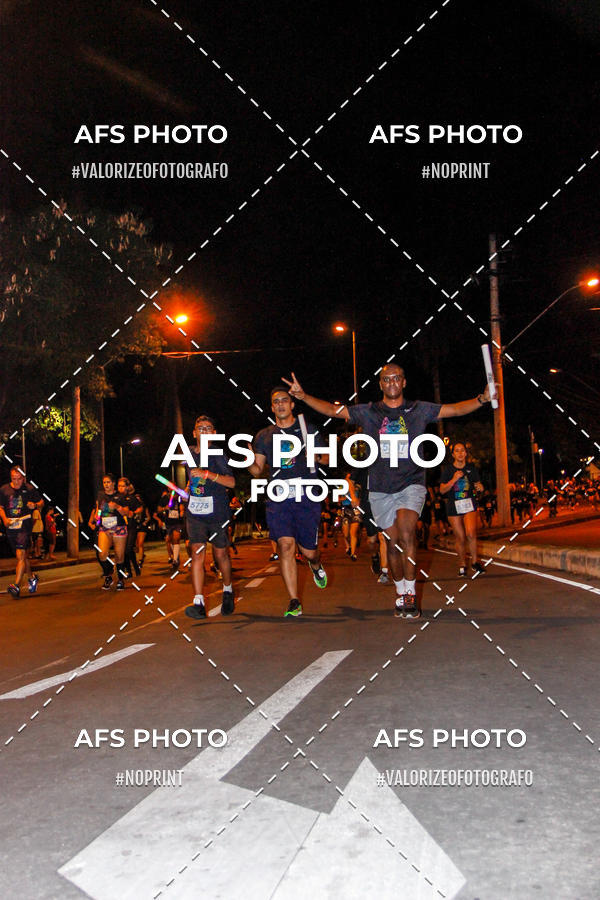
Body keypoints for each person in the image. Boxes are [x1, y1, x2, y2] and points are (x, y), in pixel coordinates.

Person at [283, 366, 494, 619]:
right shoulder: (370, 412)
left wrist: (481, 399)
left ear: (403, 382)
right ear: (381, 384)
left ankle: (411, 594)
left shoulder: (419, 409)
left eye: (396, 378)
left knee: (407, 533)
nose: (392, 382)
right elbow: (333, 410)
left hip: (411, 483)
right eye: (386, 379)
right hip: (381, 489)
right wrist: (303, 396)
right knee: (393, 544)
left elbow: (454, 409)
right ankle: (400, 590)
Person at [249, 386, 328, 618]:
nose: (281, 404)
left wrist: (313, 454)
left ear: (292, 404)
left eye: (285, 400)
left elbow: (328, 457)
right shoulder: (264, 435)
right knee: (285, 545)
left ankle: (315, 565)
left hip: (306, 496)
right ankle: (294, 600)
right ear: (272, 407)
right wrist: (247, 460)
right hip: (279, 496)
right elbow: (256, 470)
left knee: (309, 551)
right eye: (276, 402)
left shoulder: (307, 430)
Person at [183, 415, 236, 619]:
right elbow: (192, 478)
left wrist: (207, 474)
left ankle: (228, 590)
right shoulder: (188, 453)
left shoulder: (218, 455)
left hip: (218, 512)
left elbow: (231, 482)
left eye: (208, 428)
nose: (204, 431)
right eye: (200, 428)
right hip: (195, 512)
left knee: (220, 555)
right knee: (197, 553)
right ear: (194, 433)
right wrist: (189, 488)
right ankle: (198, 603)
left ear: (214, 433)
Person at [439, 442, 485, 576]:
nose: (460, 453)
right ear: (453, 454)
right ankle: (462, 564)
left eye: (462, 451)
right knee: (460, 537)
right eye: (457, 451)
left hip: (469, 504)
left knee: (471, 533)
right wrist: (453, 479)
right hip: (454, 506)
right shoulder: (448, 470)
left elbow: (478, 484)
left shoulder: (471, 468)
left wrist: (480, 487)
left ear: (465, 453)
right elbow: (442, 490)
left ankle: (475, 563)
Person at [0, 466, 43, 597]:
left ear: (23, 478)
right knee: (22, 557)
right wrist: (4, 519)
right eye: (14, 479)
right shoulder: (4, 490)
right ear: (10, 477)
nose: (17, 482)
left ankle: (16, 585)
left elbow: (41, 502)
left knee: (21, 553)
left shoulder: (29, 489)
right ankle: (32, 577)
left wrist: (35, 505)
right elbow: (0, 508)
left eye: (19, 479)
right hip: (11, 525)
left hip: (24, 525)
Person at [94, 473, 132, 591]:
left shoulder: (120, 496)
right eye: (104, 482)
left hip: (119, 527)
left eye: (108, 482)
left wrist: (117, 507)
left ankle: (120, 579)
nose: (106, 485)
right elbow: (98, 509)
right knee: (102, 553)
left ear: (113, 483)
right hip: (105, 527)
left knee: (119, 556)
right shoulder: (101, 495)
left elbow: (127, 512)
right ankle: (109, 574)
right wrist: (97, 515)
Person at [156, 486, 185, 571]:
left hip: (177, 522)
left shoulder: (179, 497)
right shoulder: (165, 498)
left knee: (177, 538)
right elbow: (158, 509)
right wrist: (165, 508)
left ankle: (175, 560)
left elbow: (182, 505)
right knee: (171, 540)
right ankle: (175, 556)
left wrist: (182, 511)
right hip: (169, 522)